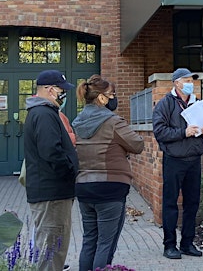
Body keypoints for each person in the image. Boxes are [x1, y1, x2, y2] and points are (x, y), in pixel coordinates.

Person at [72, 75, 145, 271]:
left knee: (89, 241)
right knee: (106, 243)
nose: (114, 98)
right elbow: (137, 144)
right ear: (102, 98)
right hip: (110, 187)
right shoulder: (113, 122)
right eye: (112, 94)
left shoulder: (77, 122)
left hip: (84, 186)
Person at [152, 67, 203, 259]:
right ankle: (169, 245)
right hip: (174, 161)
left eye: (192, 80)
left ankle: (187, 243)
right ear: (176, 83)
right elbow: (160, 132)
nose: (191, 84)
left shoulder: (198, 103)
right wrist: (183, 132)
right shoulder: (165, 104)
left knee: (192, 203)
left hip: (194, 160)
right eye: (186, 80)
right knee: (170, 203)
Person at [23, 69, 79, 271]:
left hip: (51, 191)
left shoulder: (43, 112)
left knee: (51, 247)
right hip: (52, 192)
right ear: (50, 90)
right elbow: (51, 152)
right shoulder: (44, 114)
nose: (64, 94)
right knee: (51, 250)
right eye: (61, 89)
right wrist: (70, 170)